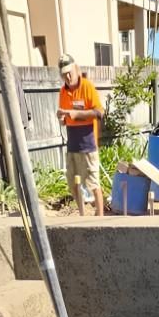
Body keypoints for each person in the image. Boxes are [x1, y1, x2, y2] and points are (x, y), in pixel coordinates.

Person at [57, 53, 104, 217]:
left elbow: (99, 113)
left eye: (70, 72)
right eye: (64, 74)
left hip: (88, 144)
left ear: (76, 69)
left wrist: (76, 114)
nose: (68, 77)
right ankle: (82, 214)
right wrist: (63, 119)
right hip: (72, 145)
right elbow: (66, 118)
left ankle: (100, 217)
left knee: (93, 183)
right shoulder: (63, 92)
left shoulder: (87, 87)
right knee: (73, 183)